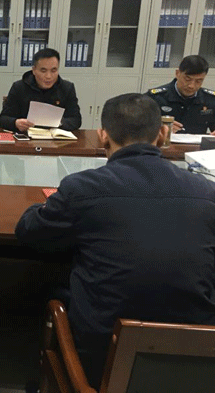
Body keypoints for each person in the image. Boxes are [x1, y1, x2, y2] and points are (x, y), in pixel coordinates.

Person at [15, 93, 215, 389]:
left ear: (103, 136)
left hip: (102, 365)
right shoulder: (207, 192)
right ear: (162, 134)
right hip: (195, 365)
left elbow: (29, 231)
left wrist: (44, 207)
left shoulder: (83, 189)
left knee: (49, 286)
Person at [0, 48, 81, 132]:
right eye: (43, 71)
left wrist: (59, 122)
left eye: (53, 70)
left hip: (55, 138)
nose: (48, 76)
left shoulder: (67, 88)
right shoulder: (19, 87)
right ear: (34, 70)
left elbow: (76, 120)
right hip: (26, 137)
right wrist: (16, 123)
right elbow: (3, 119)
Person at [146, 55, 215, 134]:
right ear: (177, 73)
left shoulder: (211, 100)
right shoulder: (154, 98)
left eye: (198, 81)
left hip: (196, 142)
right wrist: (157, 127)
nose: (191, 86)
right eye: (187, 79)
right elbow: (138, 128)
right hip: (164, 141)